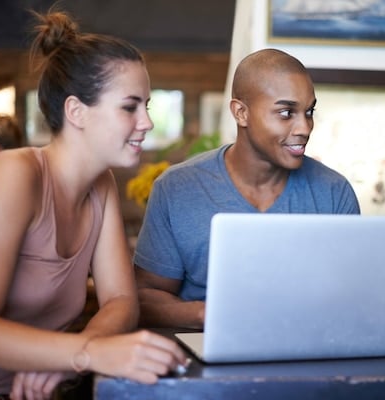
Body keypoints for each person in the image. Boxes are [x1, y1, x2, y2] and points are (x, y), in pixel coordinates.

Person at [0, 9, 188, 400]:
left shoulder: (102, 185)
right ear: (76, 111)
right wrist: (86, 352)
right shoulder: (12, 175)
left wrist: (71, 357)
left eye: (146, 105)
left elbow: (121, 300)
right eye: (130, 107)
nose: (146, 122)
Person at [134, 48, 361, 329]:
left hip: (307, 354)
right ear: (241, 113)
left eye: (309, 111)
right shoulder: (176, 189)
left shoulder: (334, 193)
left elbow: (352, 297)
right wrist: (210, 316)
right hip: (205, 357)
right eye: (286, 112)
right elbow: (145, 297)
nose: (304, 127)